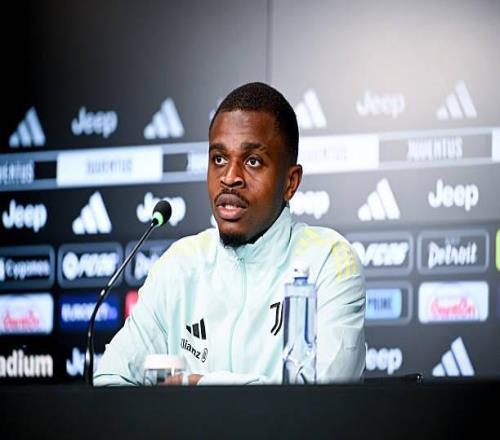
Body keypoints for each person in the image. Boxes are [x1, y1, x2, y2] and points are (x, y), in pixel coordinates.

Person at [94, 82, 366, 386]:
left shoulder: (329, 260)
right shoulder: (179, 264)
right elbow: (110, 379)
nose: (230, 177)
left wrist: (199, 386)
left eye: (252, 161)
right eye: (219, 159)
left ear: (290, 183)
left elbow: (327, 393)